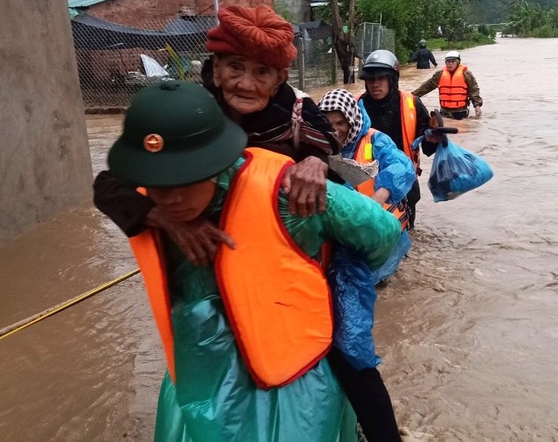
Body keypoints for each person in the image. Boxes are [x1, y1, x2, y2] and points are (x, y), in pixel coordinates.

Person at [107, 80, 402, 441]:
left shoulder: (290, 193)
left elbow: (382, 232)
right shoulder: (142, 200)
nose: (170, 199)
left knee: (356, 379)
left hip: (294, 366)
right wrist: (157, 216)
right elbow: (108, 187)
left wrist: (338, 277)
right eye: (157, 184)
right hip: (202, 367)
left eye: (184, 180)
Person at [93, 4, 341, 267]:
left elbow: (323, 155)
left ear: (279, 79)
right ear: (217, 70)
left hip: (283, 249)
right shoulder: (187, 112)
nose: (246, 84)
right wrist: (165, 218)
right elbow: (108, 186)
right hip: (214, 252)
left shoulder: (298, 111)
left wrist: (316, 160)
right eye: (235, 67)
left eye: (262, 72)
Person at [318, 88, 417, 441]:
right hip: (336, 241)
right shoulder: (317, 148)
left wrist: (378, 198)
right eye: (327, 124)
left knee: (352, 339)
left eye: (339, 123)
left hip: (371, 240)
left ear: (351, 120)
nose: (335, 130)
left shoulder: (375, 141)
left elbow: (402, 166)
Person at [358, 49, 441, 230]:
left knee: (404, 233)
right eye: (370, 80)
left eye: (380, 79)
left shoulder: (412, 104)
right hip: (365, 184)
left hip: (404, 182)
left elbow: (427, 148)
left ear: (392, 80)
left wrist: (434, 137)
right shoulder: (355, 106)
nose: (375, 84)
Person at [411, 50, 484, 120]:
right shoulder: (439, 74)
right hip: (444, 112)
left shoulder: (466, 74)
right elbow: (427, 86)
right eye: (448, 61)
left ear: (458, 62)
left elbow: (474, 90)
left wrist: (477, 106)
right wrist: (412, 96)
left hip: (461, 112)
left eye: (453, 61)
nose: (450, 64)